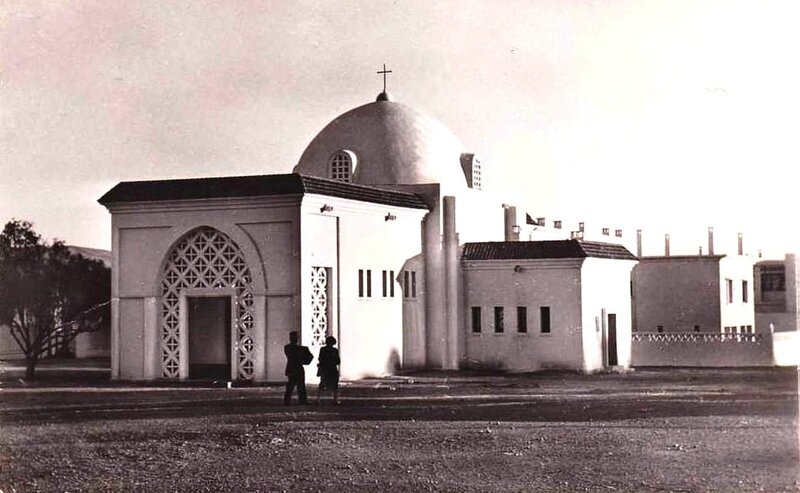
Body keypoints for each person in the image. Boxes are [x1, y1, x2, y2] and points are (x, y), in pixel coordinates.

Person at [283, 331, 313, 405]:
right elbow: (309, 356)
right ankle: (302, 401)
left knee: (291, 386)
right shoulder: (300, 349)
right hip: (298, 368)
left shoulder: (287, 347)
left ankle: (287, 401)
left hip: (291, 368)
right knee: (300, 386)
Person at [316, 335, 341, 405]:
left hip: (325, 369)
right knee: (334, 385)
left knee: (322, 384)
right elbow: (338, 361)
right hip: (332, 369)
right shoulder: (335, 351)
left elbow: (320, 358)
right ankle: (335, 399)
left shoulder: (323, 349)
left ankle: (318, 399)